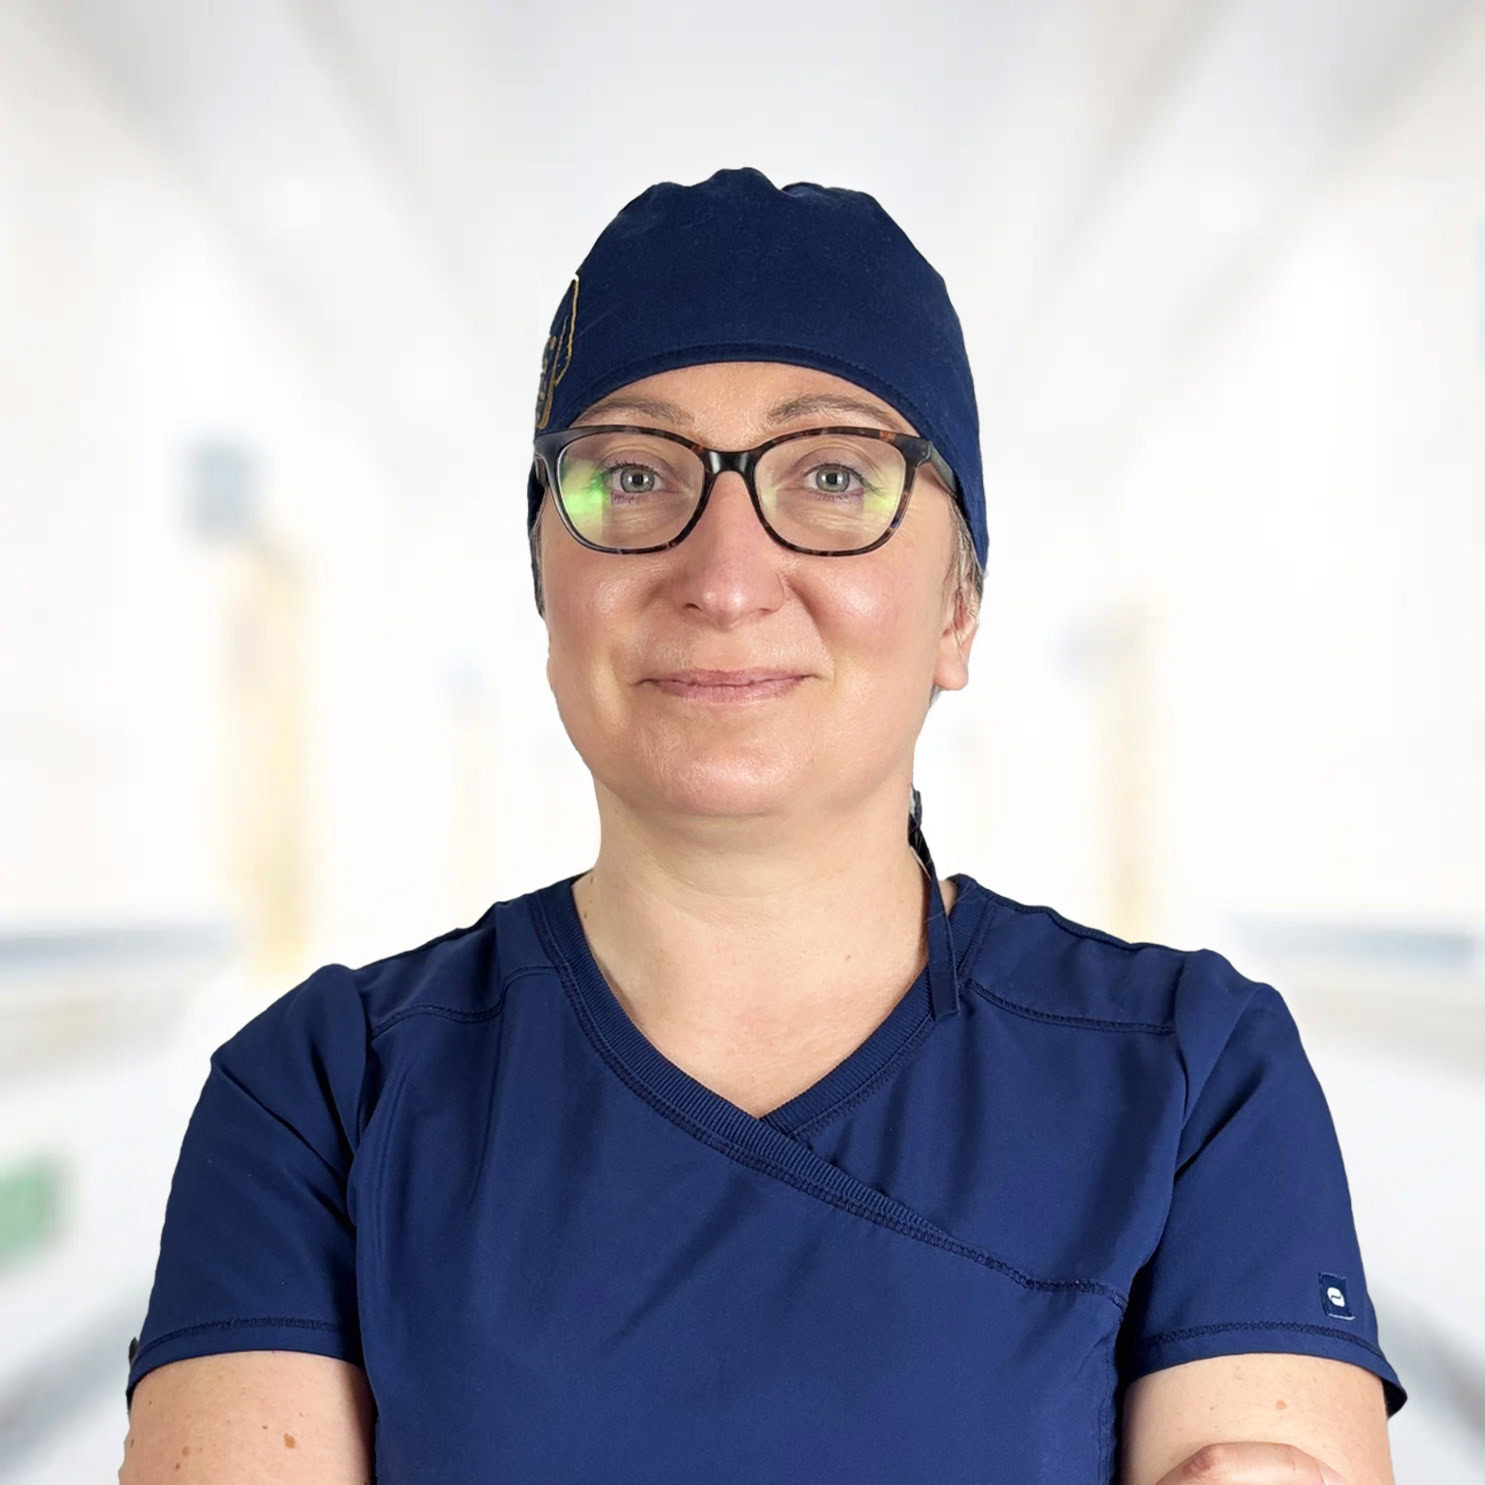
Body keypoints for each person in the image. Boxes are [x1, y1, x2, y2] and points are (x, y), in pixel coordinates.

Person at [120, 168, 1405, 1482]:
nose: (725, 578)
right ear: (547, 589)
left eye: (834, 474)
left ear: (957, 605)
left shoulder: (1191, 1081)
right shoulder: (325, 1098)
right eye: (631, 474)